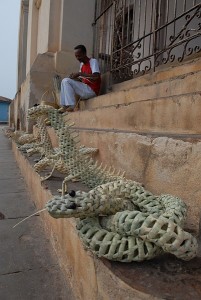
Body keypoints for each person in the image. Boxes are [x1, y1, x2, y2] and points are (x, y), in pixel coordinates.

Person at [59, 45, 101, 112]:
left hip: (92, 91)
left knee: (66, 81)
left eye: (79, 56)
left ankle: (71, 105)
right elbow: (82, 79)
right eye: (76, 56)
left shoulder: (93, 61)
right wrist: (74, 78)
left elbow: (96, 77)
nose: (78, 58)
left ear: (84, 53)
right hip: (85, 89)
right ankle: (64, 106)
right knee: (64, 81)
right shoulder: (82, 65)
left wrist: (79, 73)